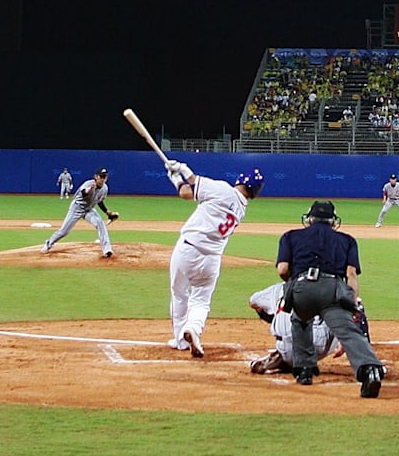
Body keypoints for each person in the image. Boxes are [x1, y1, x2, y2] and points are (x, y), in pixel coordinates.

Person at [276, 199, 385, 397]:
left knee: (300, 320)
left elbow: (282, 269)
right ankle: (370, 371)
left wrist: (293, 284)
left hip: (302, 288)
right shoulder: (347, 240)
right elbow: (351, 276)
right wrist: (353, 304)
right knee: (348, 331)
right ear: (333, 221)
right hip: (333, 289)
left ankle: (304, 370)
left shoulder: (290, 236)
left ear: (309, 219)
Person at [162, 160, 263, 358]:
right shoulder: (241, 208)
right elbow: (188, 192)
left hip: (187, 250)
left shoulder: (224, 190)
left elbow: (190, 185)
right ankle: (194, 329)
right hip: (211, 259)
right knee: (201, 300)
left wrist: (181, 170)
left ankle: (181, 340)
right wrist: (177, 179)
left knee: (179, 294)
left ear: (241, 180)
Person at [245, 280, 370, 375]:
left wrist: (275, 318)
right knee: (356, 305)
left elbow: (253, 302)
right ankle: (367, 364)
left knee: (290, 324)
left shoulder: (278, 287)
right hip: (317, 346)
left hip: (285, 346)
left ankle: (286, 359)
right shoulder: (328, 283)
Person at [43, 168, 117, 256]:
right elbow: (83, 193)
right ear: (96, 177)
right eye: (101, 177)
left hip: (89, 210)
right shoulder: (88, 184)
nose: (103, 179)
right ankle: (49, 243)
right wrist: (89, 189)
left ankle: (107, 250)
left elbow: (99, 201)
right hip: (77, 208)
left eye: (104, 177)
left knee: (100, 224)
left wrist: (107, 212)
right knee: (64, 231)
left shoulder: (105, 188)